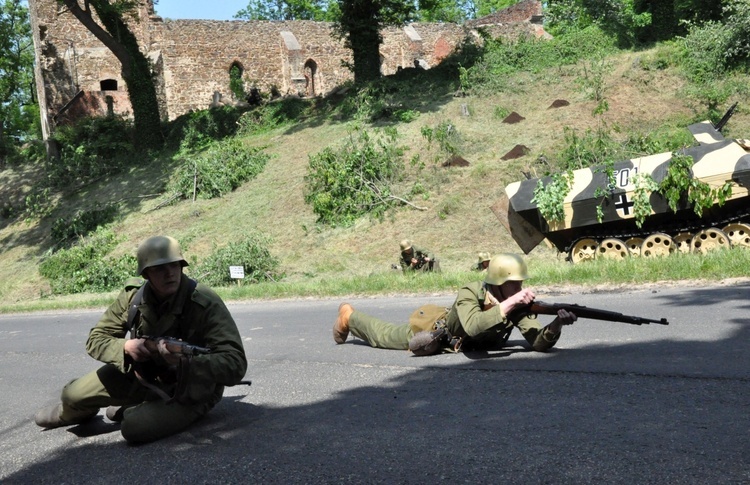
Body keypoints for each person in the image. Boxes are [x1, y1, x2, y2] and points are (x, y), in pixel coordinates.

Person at [34, 236, 248, 443]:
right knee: (73, 395)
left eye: (175, 266)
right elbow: (96, 339)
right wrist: (126, 346)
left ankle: (135, 408)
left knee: (134, 427)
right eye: (159, 269)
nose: (170, 274)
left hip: (189, 387)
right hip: (143, 373)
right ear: (146, 274)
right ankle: (73, 414)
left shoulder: (204, 302)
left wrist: (186, 361)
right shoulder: (133, 297)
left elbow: (235, 363)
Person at [333, 253, 577, 355]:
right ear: (498, 282)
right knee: (383, 336)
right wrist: (511, 303)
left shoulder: (511, 303)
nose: (520, 290)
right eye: (514, 284)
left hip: (459, 341)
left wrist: (556, 324)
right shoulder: (471, 291)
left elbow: (536, 342)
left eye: (520, 284)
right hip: (435, 329)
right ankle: (349, 316)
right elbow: (471, 326)